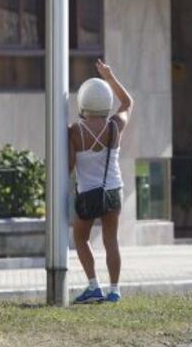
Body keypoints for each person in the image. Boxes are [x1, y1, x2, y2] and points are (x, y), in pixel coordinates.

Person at [69, 59, 133, 304]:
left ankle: (93, 285)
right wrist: (110, 77)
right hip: (114, 191)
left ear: (83, 101)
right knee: (111, 240)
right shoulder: (115, 126)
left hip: (87, 193)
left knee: (80, 238)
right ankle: (115, 289)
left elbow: (70, 165)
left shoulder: (74, 130)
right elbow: (128, 103)